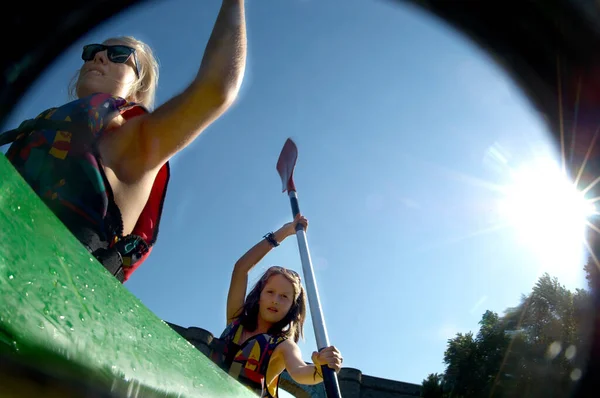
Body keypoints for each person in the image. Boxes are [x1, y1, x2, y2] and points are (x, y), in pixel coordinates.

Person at [0, 0, 247, 282]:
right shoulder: (43, 128)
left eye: (119, 54)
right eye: (93, 51)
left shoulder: (132, 142)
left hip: (46, 293)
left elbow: (216, 89)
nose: (99, 58)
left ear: (137, 86)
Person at [209, 214, 343, 397]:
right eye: (270, 292)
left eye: (284, 297)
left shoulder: (284, 346)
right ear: (259, 296)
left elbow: (301, 372)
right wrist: (285, 231)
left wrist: (320, 368)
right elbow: (241, 268)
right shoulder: (235, 321)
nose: (275, 300)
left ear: (292, 307)